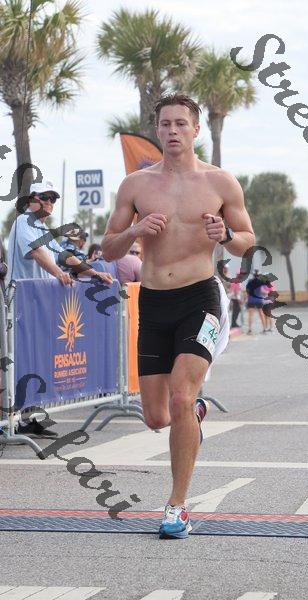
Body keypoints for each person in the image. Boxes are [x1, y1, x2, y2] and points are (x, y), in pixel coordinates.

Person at [102, 93, 255, 539]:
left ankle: (177, 506)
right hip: (153, 303)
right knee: (156, 416)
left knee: (181, 398)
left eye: (181, 124)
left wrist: (225, 234)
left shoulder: (220, 182)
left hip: (200, 300)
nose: (173, 131)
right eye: (166, 124)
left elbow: (247, 240)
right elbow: (108, 248)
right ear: (157, 129)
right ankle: (194, 414)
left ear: (196, 130)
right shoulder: (136, 185)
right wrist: (135, 229)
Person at [6, 180, 113, 437]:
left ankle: (28, 418)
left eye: (53, 198)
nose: (50, 202)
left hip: (37, 304)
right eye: (45, 197)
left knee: (36, 360)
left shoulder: (42, 228)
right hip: (19, 304)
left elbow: (65, 256)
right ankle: (9, 421)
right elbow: (37, 253)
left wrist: (94, 273)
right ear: (31, 199)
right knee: (17, 361)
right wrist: (58, 273)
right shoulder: (24, 221)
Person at [245, 270, 268, 334]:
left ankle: (250, 330)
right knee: (261, 314)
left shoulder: (250, 281)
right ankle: (264, 329)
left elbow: (247, 291)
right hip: (259, 299)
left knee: (250, 315)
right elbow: (263, 290)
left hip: (251, 299)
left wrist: (246, 297)